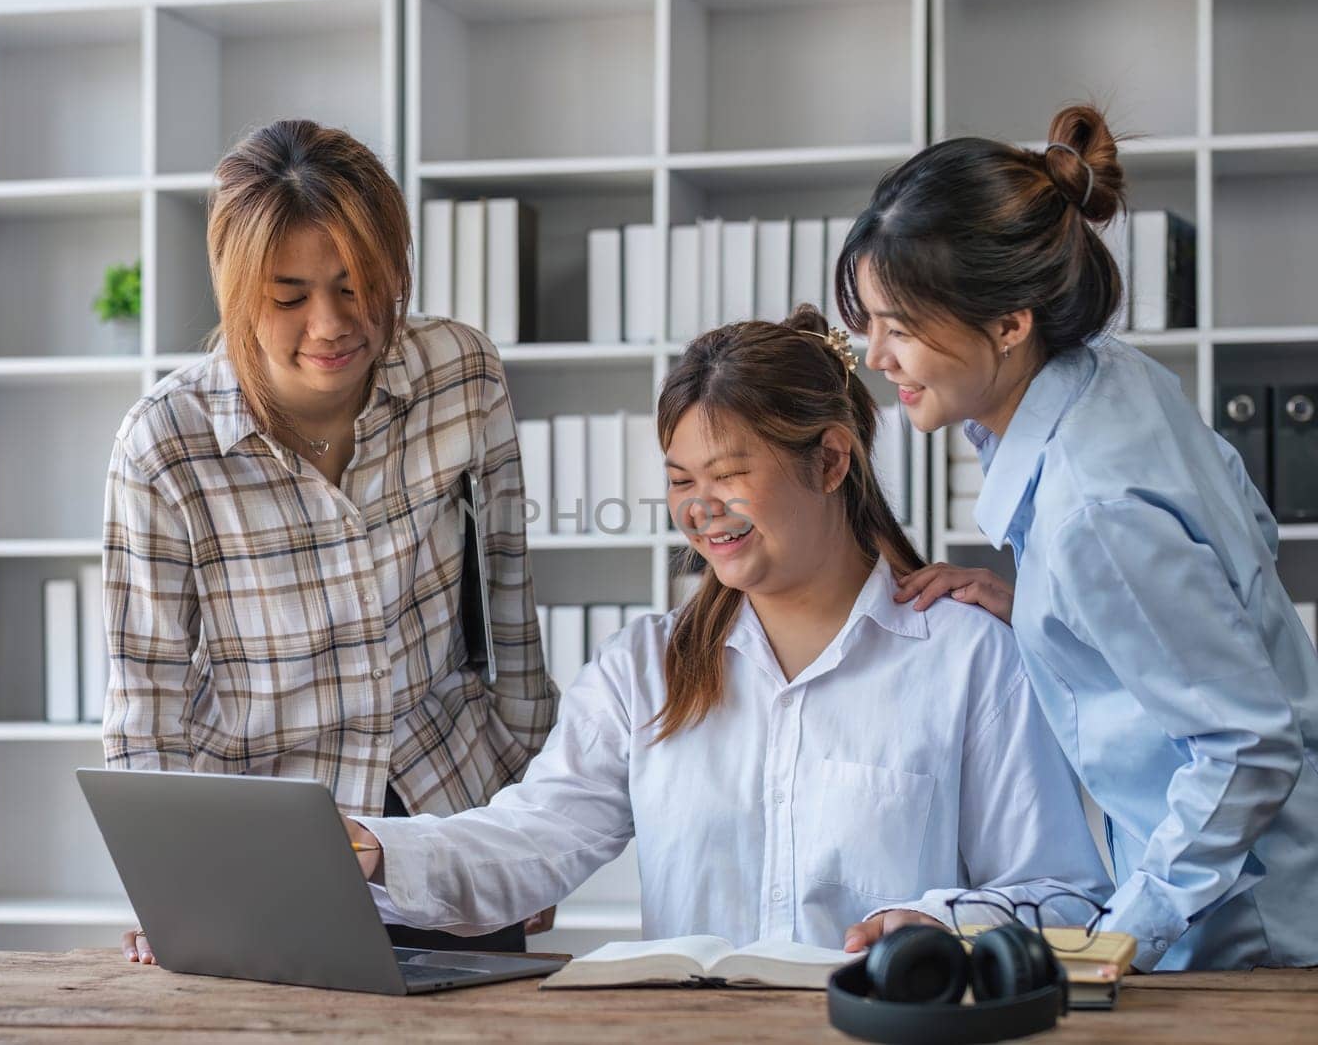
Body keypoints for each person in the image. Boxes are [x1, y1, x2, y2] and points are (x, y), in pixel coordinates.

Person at [342, 308, 1112, 954]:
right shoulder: (643, 668)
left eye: (729, 474)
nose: (701, 509)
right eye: (682, 480)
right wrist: (380, 853)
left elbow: (1064, 896)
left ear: (832, 459)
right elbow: (530, 836)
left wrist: (939, 924)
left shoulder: (967, 655)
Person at [839, 103, 1318, 971]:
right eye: (871, 322)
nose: (876, 356)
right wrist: (1050, 612)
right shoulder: (1108, 375)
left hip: (1256, 931)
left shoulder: (1089, 508)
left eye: (900, 327)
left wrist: (1117, 937)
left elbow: (1249, 745)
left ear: (1010, 323)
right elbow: (1243, 539)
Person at [100, 120, 558, 961]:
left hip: (451, 821)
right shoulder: (164, 442)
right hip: (263, 860)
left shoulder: (462, 375)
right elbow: (146, 697)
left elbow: (510, 614)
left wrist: (526, 838)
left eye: (358, 286)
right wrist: (167, 885)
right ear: (239, 293)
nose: (332, 323)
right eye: (290, 296)